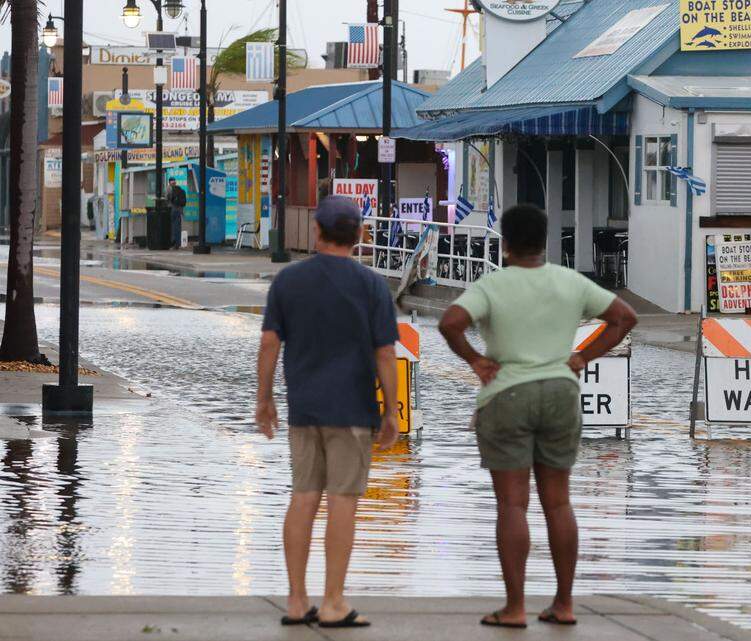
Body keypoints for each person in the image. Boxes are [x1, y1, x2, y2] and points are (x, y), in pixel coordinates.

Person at [438, 204, 638, 629]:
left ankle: (514, 609)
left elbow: (450, 322)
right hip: (560, 393)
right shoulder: (571, 281)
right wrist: (583, 355)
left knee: (512, 504)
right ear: (545, 242)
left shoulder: (492, 284)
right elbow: (624, 318)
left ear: (505, 244)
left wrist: (475, 359)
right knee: (559, 502)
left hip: (507, 395)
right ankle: (564, 604)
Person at [255, 196, 401, 629]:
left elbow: (269, 344)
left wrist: (264, 399)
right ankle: (334, 601)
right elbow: (386, 353)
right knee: (343, 501)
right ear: (359, 236)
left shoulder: (289, 281)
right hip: (353, 409)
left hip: (304, 408)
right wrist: (390, 410)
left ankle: (297, 601)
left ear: (316, 231)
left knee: (303, 497)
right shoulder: (372, 285)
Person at [168, 178, 187, 248]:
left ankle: (172, 241)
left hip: (172, 210)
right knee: (178, 227)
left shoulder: (170, 190)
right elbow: (184, 203)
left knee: (171, 226)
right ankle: (177, 243)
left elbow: (169, 200)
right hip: (179, 210)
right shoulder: (182, 191)